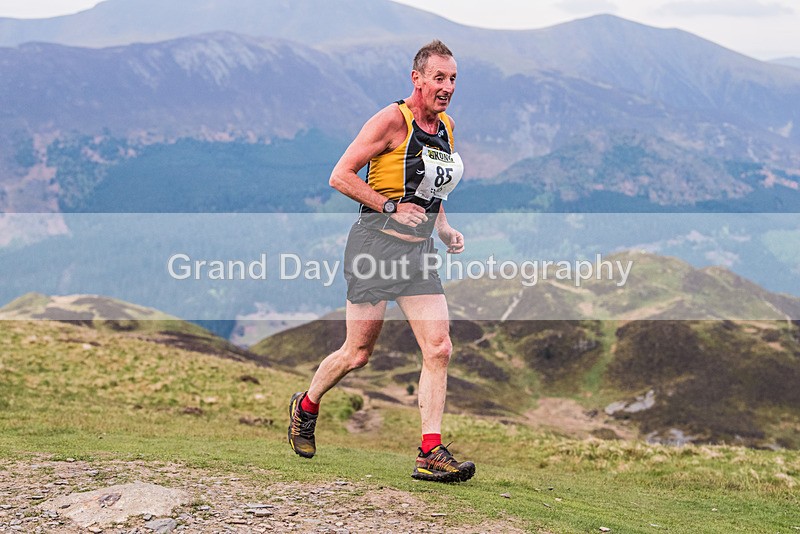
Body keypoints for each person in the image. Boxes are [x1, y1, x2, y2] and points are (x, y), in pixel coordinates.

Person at [288, 40, 475, 483]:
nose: (447, 87)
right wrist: (389, 207)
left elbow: (431, 190)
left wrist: (443, 227)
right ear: (417, 79)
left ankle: (430, 452)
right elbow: (340, 176)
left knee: (439, 347)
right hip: (374, 248)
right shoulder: (392, 120)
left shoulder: (446, 127)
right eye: (439, 78)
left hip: (417, 255)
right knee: (357, 354)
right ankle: (306, 406)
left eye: (452, 79)